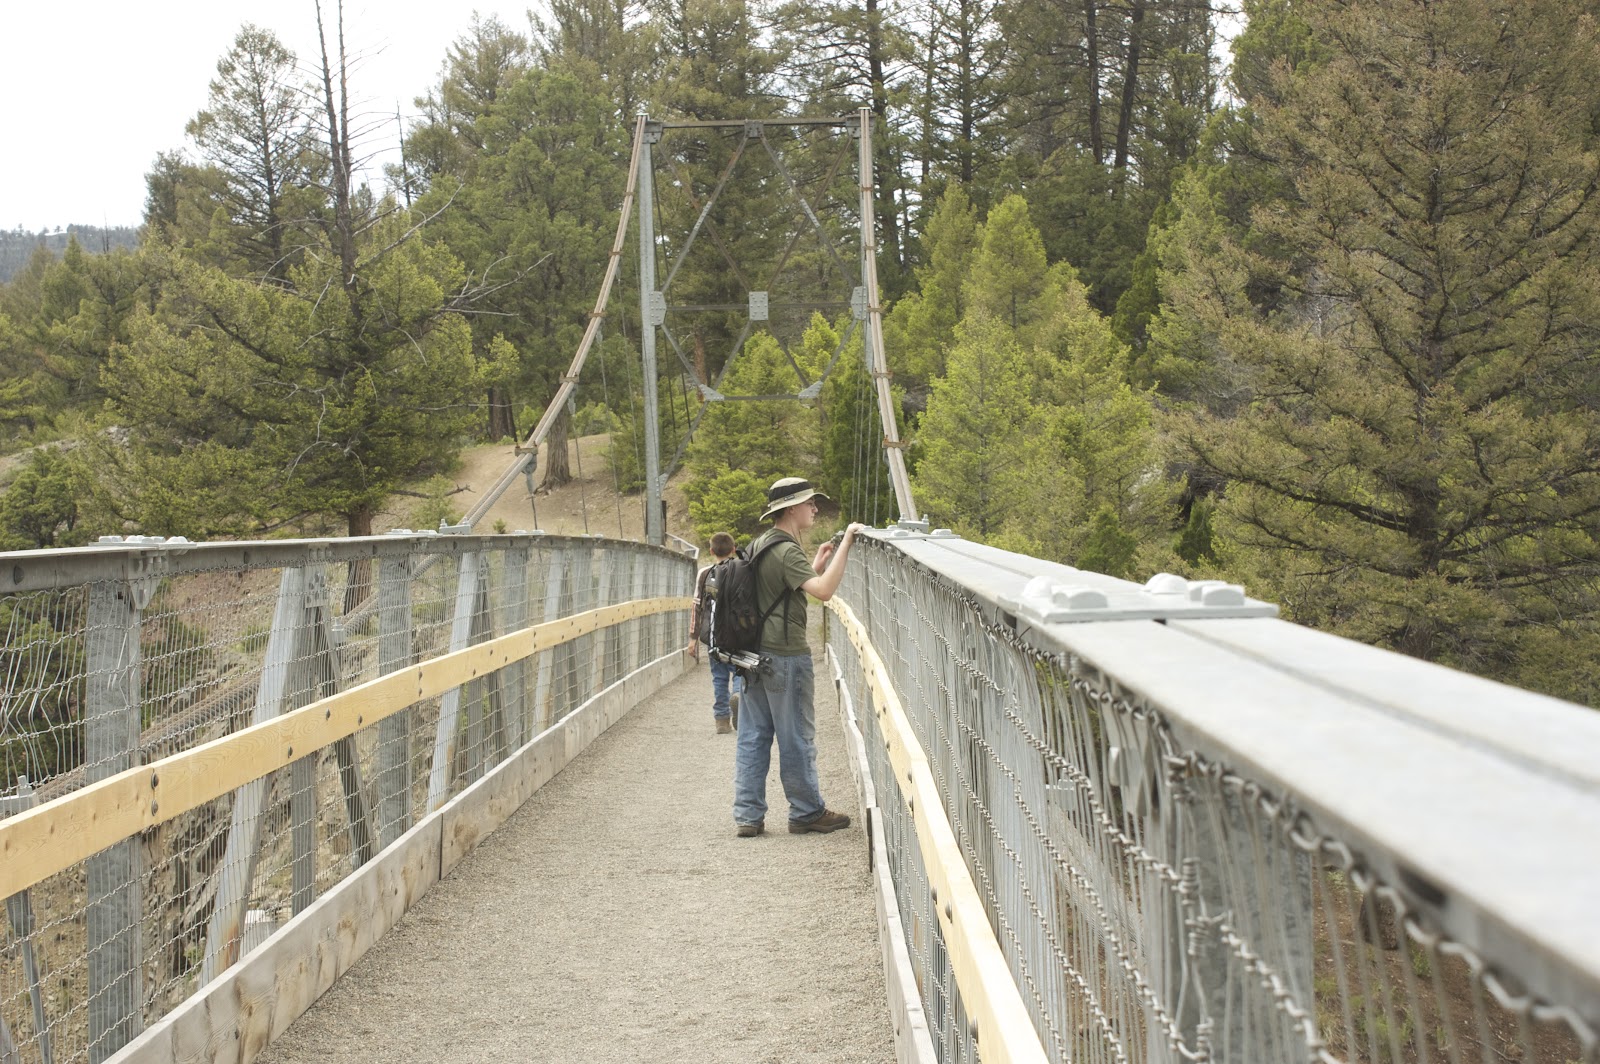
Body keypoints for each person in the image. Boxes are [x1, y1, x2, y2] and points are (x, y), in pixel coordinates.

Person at [732, 476, 866, 838]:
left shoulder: (761, 543)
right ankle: (807, 811)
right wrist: (847, 542)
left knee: (753, 736)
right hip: (785, 656)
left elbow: (780, 591)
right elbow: (823, 593)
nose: (815, 508)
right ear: (791, 508)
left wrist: (816, 564)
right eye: (809, 503)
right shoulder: (787, 550)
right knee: (796, 736)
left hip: (754, 656)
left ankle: (748, 816)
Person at [687, 531, 742, 734]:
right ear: (733, 549)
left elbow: (697, 606)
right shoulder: (743, 570)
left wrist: (693, 638)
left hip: (714, 636)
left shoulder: (705, 573)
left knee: (719, 678)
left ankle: (721, 720)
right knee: (740, 673)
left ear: (711, 551)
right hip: (739, 636)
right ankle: (738, 695)